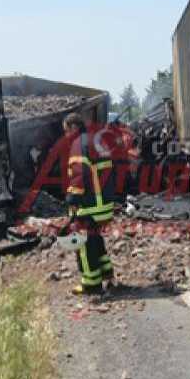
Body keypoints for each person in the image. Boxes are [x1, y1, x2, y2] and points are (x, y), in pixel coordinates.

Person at [63, 113, 115, 295]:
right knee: (94, 238)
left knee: (83, 243)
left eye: (66, 131)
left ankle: (91, 284)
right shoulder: (96, 140)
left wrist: (72, 199)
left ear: (73, 128)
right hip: (105, 204)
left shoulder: (79, 145)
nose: (66, 136)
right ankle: (106, 273)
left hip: (91, 205)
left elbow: (79, 174)